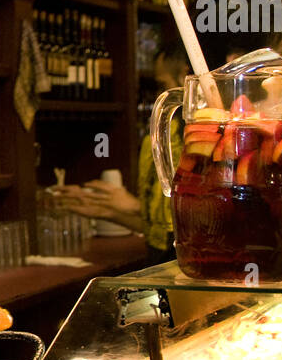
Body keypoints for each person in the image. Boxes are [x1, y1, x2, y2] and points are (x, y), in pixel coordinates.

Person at [58, 41, 188, 265]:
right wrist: (108, 212)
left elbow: (197, 226)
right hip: (164, 267)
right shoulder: (156, 140)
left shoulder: (200, 139)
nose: (160, 96)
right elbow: (159, 233)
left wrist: (133, 206)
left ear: (186, 77)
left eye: (162, 85)